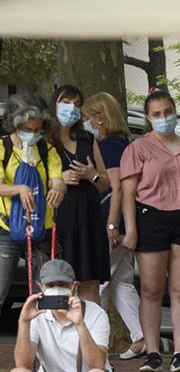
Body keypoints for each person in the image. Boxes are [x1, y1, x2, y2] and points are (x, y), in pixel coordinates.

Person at [121, 88, 180, 372]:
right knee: (151, 288)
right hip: (151, 217)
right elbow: (128, 192)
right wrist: (130, 229)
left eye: (167, 112)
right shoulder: (138, 148)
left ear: (175, 111)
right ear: (148, 118)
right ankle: (153, 351)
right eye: (156, 114)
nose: (163, 118)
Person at [81, 92, 143, 359]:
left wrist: (110, 225)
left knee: (99, 283)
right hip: (118, 222)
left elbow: (116, 187)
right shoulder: (122, 143)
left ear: (99, 119)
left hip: (109, 221)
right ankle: (141, 337)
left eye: (86, 117)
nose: (83, 122)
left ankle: (95, 346)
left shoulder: (109, 147)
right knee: (121, 282)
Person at [1, 92, 64, 312]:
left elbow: (58, 180)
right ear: (14, 124)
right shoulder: (3, 148)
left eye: (38, 130)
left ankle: (42, 343)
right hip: (6, 229)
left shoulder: (48, 151)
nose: (33, 134)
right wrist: (18, 189)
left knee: (44, 295)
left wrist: (58, 188)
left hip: (41, 231)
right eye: (27, 130)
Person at [49, 85, 111, 306]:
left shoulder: (87, 140)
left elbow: (105, 183)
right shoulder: (45, 141)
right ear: (54, 104)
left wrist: (91, 175)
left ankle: (91, 339)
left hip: (89, 220)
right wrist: (57, 180)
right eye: (66, 102)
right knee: (59, 287)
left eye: (77, 104)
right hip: (60, 221)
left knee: (90, 285)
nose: (71, 109)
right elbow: (32, 181)